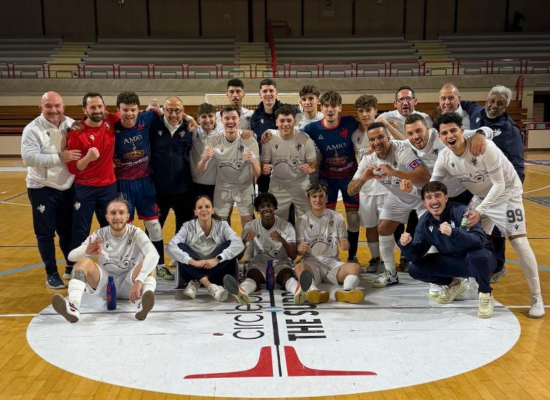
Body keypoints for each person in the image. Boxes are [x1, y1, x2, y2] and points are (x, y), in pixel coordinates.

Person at [431, 112, 544, 318]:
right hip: (481, 197)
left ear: (462, 131)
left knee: (519, 243)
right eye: (444, 133)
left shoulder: (483, 147)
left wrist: (479, 211)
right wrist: (416, 191)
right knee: (463, 237)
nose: (450, 136)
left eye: (453, 130)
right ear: (439, 136)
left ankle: (537, 298)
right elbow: (433, 186)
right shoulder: (444, 157)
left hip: (507, 195)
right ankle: (466, 284)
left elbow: (499, 185)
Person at [402, 113, 492, 297]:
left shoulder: (445, 134)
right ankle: (449, 281)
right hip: (440, 197)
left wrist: (480, 134)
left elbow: (488, 131)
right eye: (410, 133)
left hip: (463, 193)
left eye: (419, 131)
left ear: (429, 130)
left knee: (472, 239)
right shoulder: (408, 145)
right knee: (435, 234)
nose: (415, 136)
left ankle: (481, 281)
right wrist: (406, 245)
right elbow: (430, 188)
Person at [347, 122, 431, 288]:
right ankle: (391, 273)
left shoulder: (401, 151)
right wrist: (364, 178)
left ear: (388, 137)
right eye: (372, 139)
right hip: (398, 196)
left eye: (380, 137)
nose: (376, 142)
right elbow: (350, 190)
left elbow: (424, 176)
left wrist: (393, 172)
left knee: (430, 232)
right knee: (383, 228)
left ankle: (437, 276)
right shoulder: (368, 159)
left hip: (420, 195)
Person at [398, 181, 497, 318]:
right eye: (429, 197)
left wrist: (453, 233)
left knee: (477, 256)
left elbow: (479, 240)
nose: (434, 201)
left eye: (438, 196)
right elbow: (415, 255)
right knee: (415, 269)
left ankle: (485, 294)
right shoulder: (424, 222)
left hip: (480, 259)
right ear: (424, 203)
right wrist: (406, 245)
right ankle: (454, 284)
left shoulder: (461, 212)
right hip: (454, 262)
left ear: (446, 197)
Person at [51, 198, 158, 323]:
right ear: (107, 217)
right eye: (113, 213)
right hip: (106, 285)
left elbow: (154, 255)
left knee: (150, 263)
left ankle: (143, 304)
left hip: (131, 284)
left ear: (128, 216)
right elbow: (71, 257)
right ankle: (73, 307)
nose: (117, 217)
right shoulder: (99, 235)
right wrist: (86, 250)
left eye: (121, 212)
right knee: (82, 262)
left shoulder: (136, 233)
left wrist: (139, 281)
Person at [461, 85, 525, 283]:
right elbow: (462, 103)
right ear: (486, 100)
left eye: (500, 103)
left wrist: (512, 194)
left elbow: (517, 165)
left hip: (499, 187)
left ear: (505, 107)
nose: (494, 106)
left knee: (498, 230)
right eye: (491, 101)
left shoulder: (510, 130)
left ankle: (498, 266)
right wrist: (450, 101)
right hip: (477, 183)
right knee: (474, 225)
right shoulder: (477, 111)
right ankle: (479, 263)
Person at [21, 91, 80, 289]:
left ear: (63, 107)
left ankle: (70, 266)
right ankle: (51, 273)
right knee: (45, 234)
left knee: (67, 231)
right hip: (42, 187)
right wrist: (59, 157)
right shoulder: (32, 129)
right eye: (48, 106)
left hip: (67, 186)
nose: (53, 110)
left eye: (57, 106)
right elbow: (29, 158)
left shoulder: (71, 125)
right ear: (41, 108)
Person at [113, 91, 168, 280]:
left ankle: (159, 265)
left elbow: (163, 111)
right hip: (123, 184)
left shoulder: (147, 117)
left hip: (145, 182)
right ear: (118, 110)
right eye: (125, 110)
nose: (129, 114)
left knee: (154, 226)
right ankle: (123, 267)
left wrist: (188, 118)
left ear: (139, 110)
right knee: (123, 228)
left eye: (133, 110)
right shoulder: (111, 124)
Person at [303, 90, 361, 264]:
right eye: (326, 106)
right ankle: (326, 255)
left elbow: (368, 124)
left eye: (333, 106)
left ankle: (352, 256)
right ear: (321, 108)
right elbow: (293, 136)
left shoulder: (350, 122)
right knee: (324, 217)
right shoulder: (312, 129)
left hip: (349, 177)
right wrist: (270, 133)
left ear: (340, 108)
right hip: (327, 179)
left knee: (353, 217)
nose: (330, 110)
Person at [223, 193, 312, 305]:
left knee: (287, 276)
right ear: (257, 210)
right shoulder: (250, 226)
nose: (266, 209)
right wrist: (244, 241)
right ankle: (241, 291)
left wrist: (282, 240)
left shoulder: (286, 226)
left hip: (281, 263)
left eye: (269, 205)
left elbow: (293, 256)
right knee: (253, 276)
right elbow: (239, 257)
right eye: (262, 206)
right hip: (259, 264)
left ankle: (298, 291)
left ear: (275, 207)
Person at [66, 92, 118, 279]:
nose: (97, 110)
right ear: (84, 110)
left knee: (110, 228)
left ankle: (113, 267)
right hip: (84, 188)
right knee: (81, 230)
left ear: (105, 108)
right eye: (92, 107)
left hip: (108, 187)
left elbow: (132, 114)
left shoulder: (110, 120)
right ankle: (74, 268)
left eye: (100, 106)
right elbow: (74, 168)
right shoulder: (76, 133)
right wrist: (88, 158)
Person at [293, 183, 363, 304]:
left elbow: (345, 245)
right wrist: (300, 249)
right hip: (311, 262)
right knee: (299, 267)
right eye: (314, 196)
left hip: (332, 263)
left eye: (321, 196)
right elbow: (299, 250)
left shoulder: (337, 217)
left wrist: (345, 245)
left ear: (327, 197)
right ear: (309, 199)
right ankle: (313, 292)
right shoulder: (301, 220)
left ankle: (347, 291)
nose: (318, 200)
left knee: (355, 267)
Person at [149, 96, 195, 280]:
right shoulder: (154, 125)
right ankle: (158, 263)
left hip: (184, 188)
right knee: (154, 228)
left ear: (183, 111)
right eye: (170, 110)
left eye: (178, 110)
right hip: (158, 189)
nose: (174, 115)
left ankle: (178, 258)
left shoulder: (189, 128)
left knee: (183, 228)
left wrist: (190, 118)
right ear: (163, 110)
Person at [166, 195, 245, 301]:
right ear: (195, 212)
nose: (204, 210)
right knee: (180, 247)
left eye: (207, 206)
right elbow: (170, 247)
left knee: (230, 244)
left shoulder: (222, 225)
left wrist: (217, 259)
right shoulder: (187, 226)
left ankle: (196, 282)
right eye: (200, 207)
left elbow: (239, 244)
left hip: (217, 272)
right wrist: (193, 262)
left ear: (212, 210)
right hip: (192, 271)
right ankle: (209, 285)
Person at [196, 105, 261, 228]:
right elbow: (199, 170)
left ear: (239, 120)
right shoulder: (213, 140)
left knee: (248, 223)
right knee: (221, 224)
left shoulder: (250, 140)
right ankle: (227, 241)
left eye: (233, 118)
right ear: (221, 120)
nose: (230, 121)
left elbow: (257, 173)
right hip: (222, 187)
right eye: (227, 118)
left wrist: (252, 161)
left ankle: (247, 242)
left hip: (244, 187)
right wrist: (205, 159)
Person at [351, 95, 389, 274]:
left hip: (386, 187)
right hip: (367, 189)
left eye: (368, 110)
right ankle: (375, 259)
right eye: (361, 111)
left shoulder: (385, 130)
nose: (365, 114)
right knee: (370, 226)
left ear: (375, 110)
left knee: (386, 227)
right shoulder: (355, 135)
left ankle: (389, 261)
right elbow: (358, 160)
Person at [261, 105, 317, 220]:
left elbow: (313, 164)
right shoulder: (269, 138)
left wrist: (310, 168)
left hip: (301, 185)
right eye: (282, 120)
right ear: (276, 122)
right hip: (278, 185)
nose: (285, 124)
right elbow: (263, 164)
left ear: (294, 121)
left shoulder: (305, 138)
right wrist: (264, 168)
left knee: (306, 222)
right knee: (277, 222)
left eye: (289, 120)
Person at [250, 78, 298, 193]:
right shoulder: (255, 117)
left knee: (287, 202)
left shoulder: (290, 110)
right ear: (260, 94)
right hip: (265, 170)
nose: (268, 94)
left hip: (287, 166)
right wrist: (260, 165)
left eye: (271, 91)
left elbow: (299, 133)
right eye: (265, 91)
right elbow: (256, 145)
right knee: (265, 202)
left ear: (276, 93)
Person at [190, 103, 224, 201]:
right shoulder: (192, 133)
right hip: (197, 183)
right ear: (198, 119)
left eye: (210, 116)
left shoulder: (223, 133)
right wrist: (188, 118)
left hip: (218, 185)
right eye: (204, 117)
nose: (208, 120)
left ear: (215, 118)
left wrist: (251, 133)